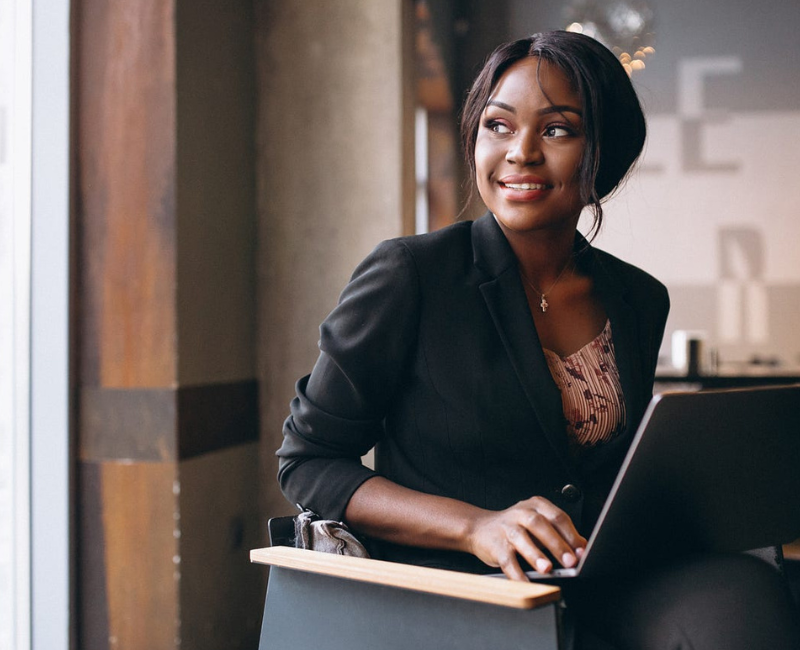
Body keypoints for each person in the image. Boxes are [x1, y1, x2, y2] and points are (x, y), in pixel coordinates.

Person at [277, 31, 800, 649]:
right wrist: (476, 527)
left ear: (603, 154)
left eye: (556, 130)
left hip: (596, 577)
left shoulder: (637, 297)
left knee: (746, 596)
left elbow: (608, 473)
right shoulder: (410, 276)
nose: (520, 152)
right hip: (463, 587)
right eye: (498, 126)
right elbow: (308, 462)